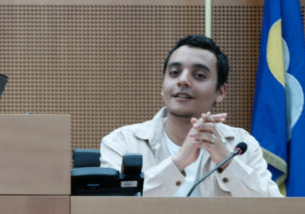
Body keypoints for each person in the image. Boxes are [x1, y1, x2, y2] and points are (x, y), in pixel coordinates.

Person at [100, 35, 282, 197]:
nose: (183, 80)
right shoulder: (122, 142)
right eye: (174, 73)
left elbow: (274, 210)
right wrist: (179, 161)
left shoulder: (241, 144)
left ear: (220, 91)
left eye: (199, 75)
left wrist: (226, 160)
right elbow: (110, 210)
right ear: (163, 87)